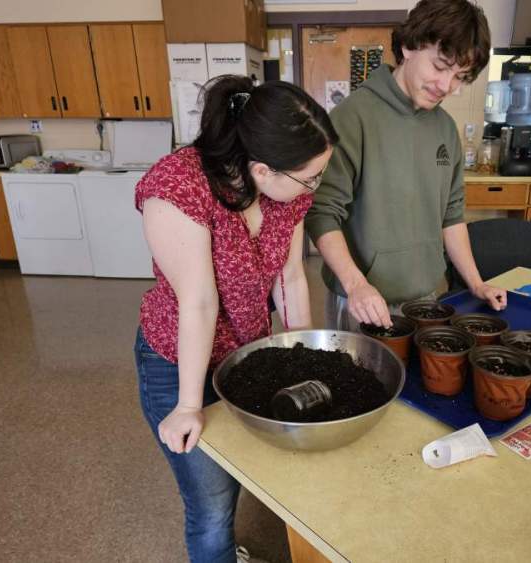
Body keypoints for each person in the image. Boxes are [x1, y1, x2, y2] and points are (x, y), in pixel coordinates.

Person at [133, 75, 338, 562]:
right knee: (210, 503)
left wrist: (299, 358)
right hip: (178, 359)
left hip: (244, 353)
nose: (315, 187)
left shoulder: (284, 193)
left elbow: (289, 277)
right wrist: (187, 405)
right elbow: (199, 302)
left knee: (241, 472)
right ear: (262, 169)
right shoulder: (176, 188)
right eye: (310, 178)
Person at [305, 0, 507, 331]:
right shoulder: (352, 118)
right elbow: (322, 213)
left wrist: (476, 282)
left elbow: (451, 216)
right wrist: (356, 285)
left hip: (427, 299)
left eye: (460, 77)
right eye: (440, 66)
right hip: (362, 301)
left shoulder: (444, 128)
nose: (446, 86)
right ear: (408, 46)